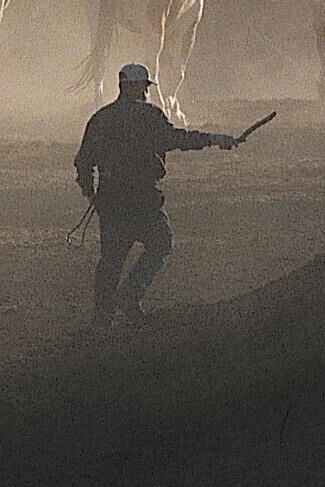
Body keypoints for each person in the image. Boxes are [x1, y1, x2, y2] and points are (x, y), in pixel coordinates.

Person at [73, 62, 236, 325]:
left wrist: (91, 194)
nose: (147, 93)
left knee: (111, 260)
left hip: (112, 200)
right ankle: (130, 295)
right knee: (161, 241)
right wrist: (214, 139)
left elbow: (83, 162)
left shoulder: (100, 118)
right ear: (138, 88)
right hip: (143, 198)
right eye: (145, 88)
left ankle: (101, 319)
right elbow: (178, 139)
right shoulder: (150, 116)